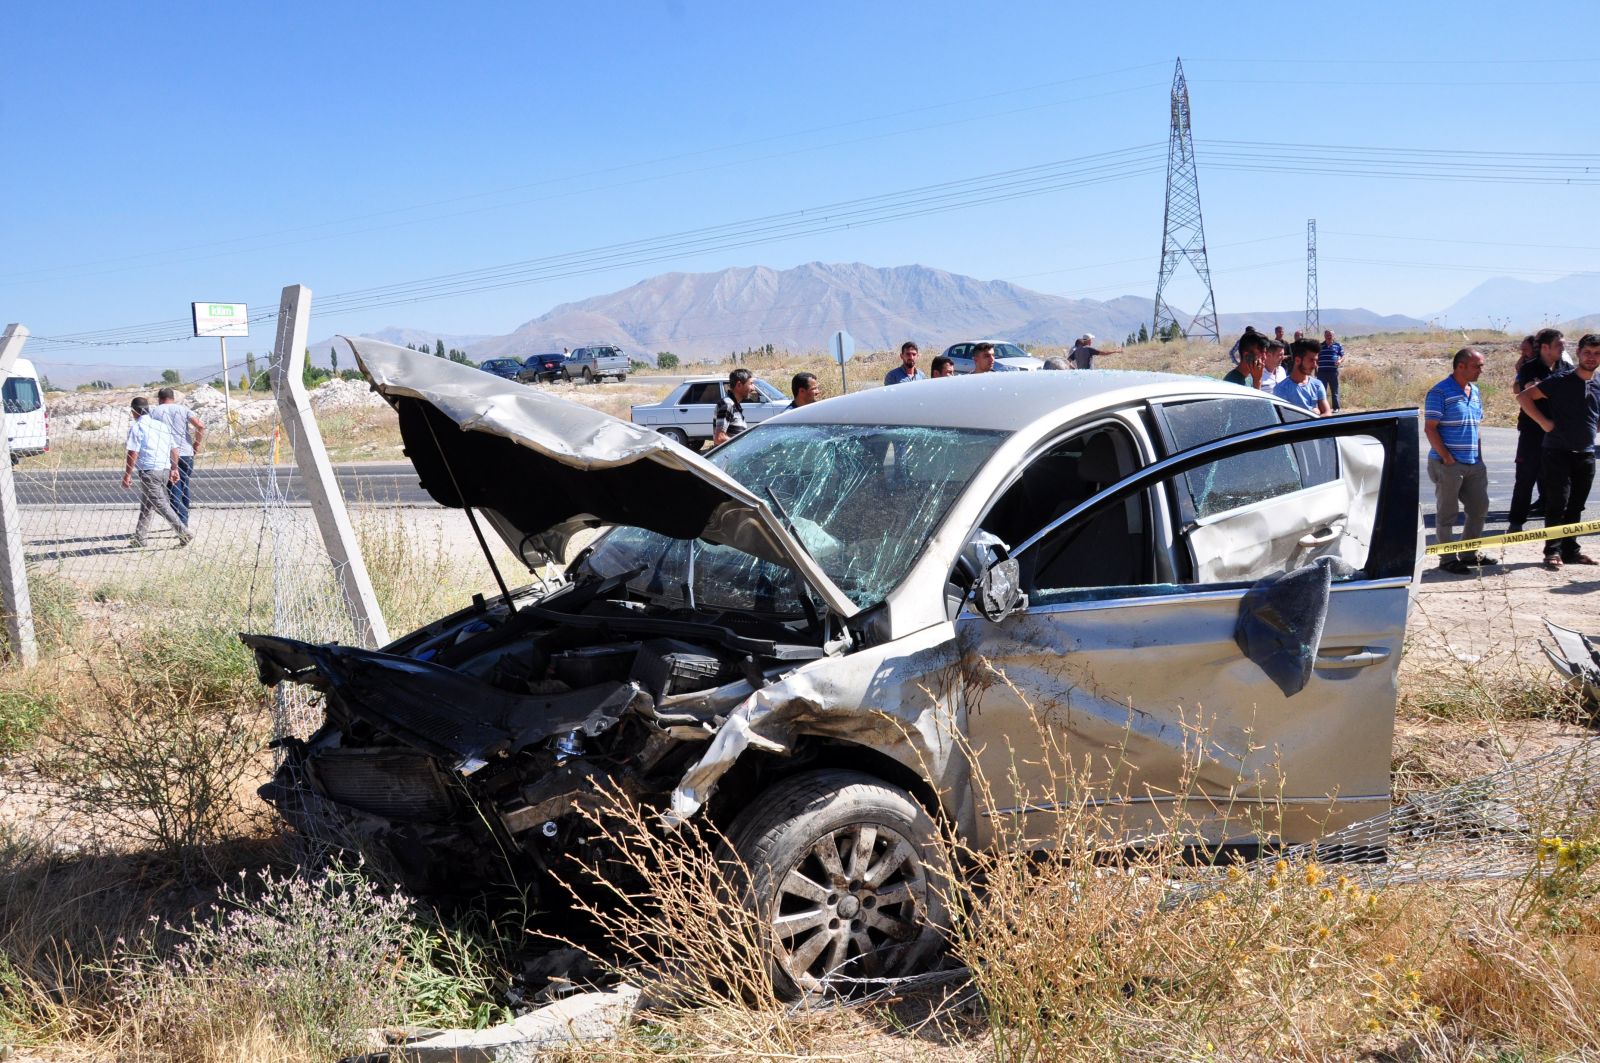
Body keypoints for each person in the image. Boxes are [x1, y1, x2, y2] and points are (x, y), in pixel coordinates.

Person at [1516, 333, 1600, 570]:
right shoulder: (1560, 380)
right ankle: (1551, 551)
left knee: (1577, 505)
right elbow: (1524, 397)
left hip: (1585, 453)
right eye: (1587, 352)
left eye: (1596, 353)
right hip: (1557, 452)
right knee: (1557, 504)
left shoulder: (1598, 383)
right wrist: (1544, 423)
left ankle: (1571, 550)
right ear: (1578, 353)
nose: (1591, 358)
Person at [1424, 348, 1494, 574]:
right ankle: (1447, 559)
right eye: (1477, 366)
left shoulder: (1475, 391)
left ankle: (1468, 553)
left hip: (1474, 463)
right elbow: (1430, 428)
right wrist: (1446, 457)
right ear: (1460, 366)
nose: (1481, 370)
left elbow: (1476, 427)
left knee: (1479, 507)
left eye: (1481, 365)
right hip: (1448, 464)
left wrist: (1480, 458)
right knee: (1447, 513)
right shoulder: (1439, 392)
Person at [1508, 328, 1570, 531]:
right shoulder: (1530, 367)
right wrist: (1549, 390)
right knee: (1525, 477)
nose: (1563, 348)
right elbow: (1528, 391)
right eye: (1559, 344)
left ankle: (1556, 528)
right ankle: (1516, 523)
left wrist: (1544, 389)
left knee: (1558, 480)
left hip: (1558, 433)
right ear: (1545, 347)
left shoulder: (1566, 367)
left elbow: (1566, 395)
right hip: (1531, 432)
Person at [122, 397, 191, 547]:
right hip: (164, 469)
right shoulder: (161, 426)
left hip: (149, 471)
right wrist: (174, 468)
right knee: (147, 504)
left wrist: (127, 474)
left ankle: (183, 532)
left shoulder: (137, 427)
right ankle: (139, 538)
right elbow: (174, 448)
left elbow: (133, 452)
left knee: (160, 504)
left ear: (134, 411)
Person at [148, 386, 205, 529]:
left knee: (173, 489)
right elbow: (200, 425)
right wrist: (197, 443)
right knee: (184, 486)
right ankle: (184, 519)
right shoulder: (183, 409)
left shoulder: (154, 411)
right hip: (186, 452)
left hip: (166, 454)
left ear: (160, 399)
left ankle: (181, 523)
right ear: (173, 398)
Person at [1274, 339, 1331, 415]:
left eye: (1316, 361)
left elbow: (1327, 413)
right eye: (1311, 360)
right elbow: (1284, 419)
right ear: (1297, 360)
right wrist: (1312, 414)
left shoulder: (1317, 385)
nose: (1315, 365)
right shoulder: (1281, 389)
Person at [712, 368, 754, 445]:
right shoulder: (728, 404)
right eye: (751, 384)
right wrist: (744, 445)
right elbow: (719, 438)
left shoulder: (734, 405)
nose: (753, 388)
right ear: (739, 385)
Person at [1317, 330, 1345, 411]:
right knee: (1322, 391)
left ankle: (1336, 408)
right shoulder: (1320, 345)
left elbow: (1343, 356)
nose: (1329, 336)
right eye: (1327, 335)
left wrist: (1340, 361)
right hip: (1321, 372)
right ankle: (1323, 409)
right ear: (1324, 336)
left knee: (1334, 391)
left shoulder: (1338, 345)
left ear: (1333, 336)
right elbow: (1316, 357)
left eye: (1331, 335)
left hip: (1333, 371)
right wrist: (1315, 367)